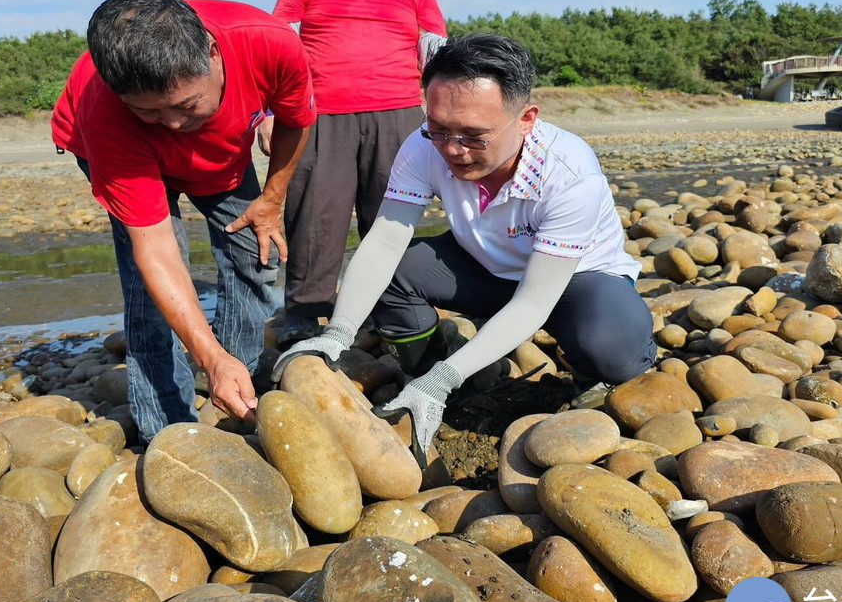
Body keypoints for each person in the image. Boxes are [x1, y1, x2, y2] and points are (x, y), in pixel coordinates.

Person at [273, 34, 656, 465]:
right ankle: (430, 371)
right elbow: (383, 240)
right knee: (392, 273)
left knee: (615, 354)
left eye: (474, 136)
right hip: (484, 267)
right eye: (439, 129)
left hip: (574, 280)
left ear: (527, 118)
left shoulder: (568, 172)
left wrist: (445, 380)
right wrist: (339, 332)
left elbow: (534, 302)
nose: (453, 149)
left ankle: (468, 376)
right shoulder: (423, 144)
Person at [51, 0, 315, 441]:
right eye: (150, 112)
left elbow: (295, 120)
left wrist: (271, 201)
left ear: (212, 54)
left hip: (221, 150)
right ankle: (169, 432)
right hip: (119, 150)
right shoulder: (105, 110)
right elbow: (155, 248)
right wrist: (207, 356)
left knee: (254, 251)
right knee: (148, 290)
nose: (173, 125)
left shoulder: (270, 43)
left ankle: (238, 385)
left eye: (186, 105)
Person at [267, 0, 446, 347]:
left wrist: (444, 120)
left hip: (400, 115)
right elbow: (278, 47)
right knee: (313, 215)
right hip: (320, 115)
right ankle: (305, 311)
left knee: (389, 216)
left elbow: (436, 57)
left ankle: (386, 305)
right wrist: (267, 113)